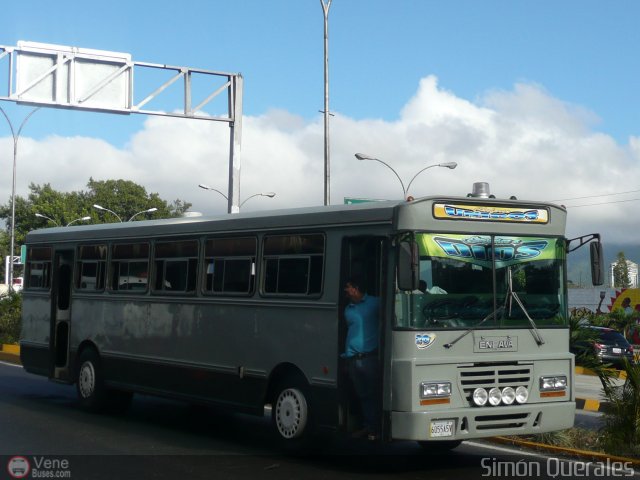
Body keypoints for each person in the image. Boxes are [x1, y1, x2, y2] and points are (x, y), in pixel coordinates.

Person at [342, 277, 380, 439]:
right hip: (352, 359)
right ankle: (369, 426)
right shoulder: (348, 309)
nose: (346, 290)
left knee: (373, 393)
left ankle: (375, 427)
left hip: (369, 358)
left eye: (348, 287)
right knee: (362, 395)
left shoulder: (375, 303)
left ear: (356, 289)